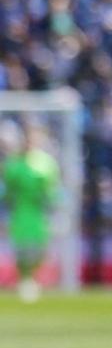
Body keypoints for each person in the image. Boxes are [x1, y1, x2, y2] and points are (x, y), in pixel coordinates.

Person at [2, 124, 61, 302]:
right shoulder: (13, 164)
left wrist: (53, 203)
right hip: (19, 212)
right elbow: (6, 191)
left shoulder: (46, 163)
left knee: (40, 250)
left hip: (39, 213)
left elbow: (52, 189)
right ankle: (25, 280)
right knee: (20, 249)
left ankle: (31, 278)